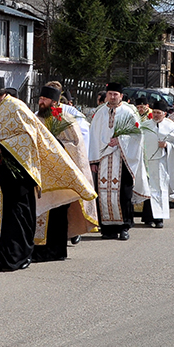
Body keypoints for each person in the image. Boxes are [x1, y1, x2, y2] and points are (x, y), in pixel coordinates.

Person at [0, 76, 95, 270]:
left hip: (19, 174)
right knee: (4, 217)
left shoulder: (16, 106)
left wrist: (4, 148)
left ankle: (18, 257)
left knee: (17, 216)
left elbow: (29, 136)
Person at [33, 84, 97, 258]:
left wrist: (58, 145)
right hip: (41, 176)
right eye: (40, 99)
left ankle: (56, 250)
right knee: (41, 213)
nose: (41, 102)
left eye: (44, 100)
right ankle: (38, 250)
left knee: (57, 215)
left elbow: (77, 147)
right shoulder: (34, 119)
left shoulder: (66, 120)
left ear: (54, 102)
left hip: (61, 178)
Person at [88, 83, 150, 240]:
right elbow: (93, 137)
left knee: (123, 194)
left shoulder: (129, 113)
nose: (112, 96)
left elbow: (137, 135)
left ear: (121, 96)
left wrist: (120, 140)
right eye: (110, 94)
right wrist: (93, 160)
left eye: (116, 94)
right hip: (103, 159)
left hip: (122, 159)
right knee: (103, 194)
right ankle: (107, 229)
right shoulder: (99, 112)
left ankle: (124, 227)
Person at [138, 99, 174, 228]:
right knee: (148, 189)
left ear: (164, 114)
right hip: (147, 163)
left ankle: (159, 218)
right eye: (155, 112)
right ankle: (148, 217)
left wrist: (167, 145)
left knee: (160, 189)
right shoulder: (145, 125)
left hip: (162, 163)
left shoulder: (170, 126)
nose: (156, 115)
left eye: (159, 113)